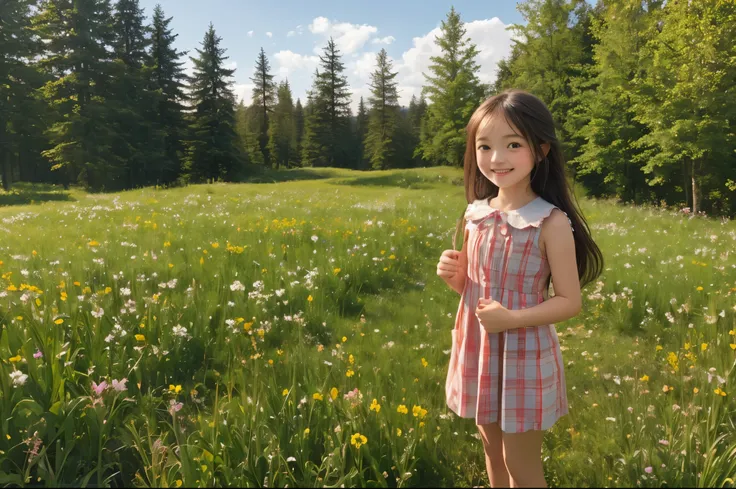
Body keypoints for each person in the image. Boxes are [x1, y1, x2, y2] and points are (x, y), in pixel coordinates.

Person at [436, 89, 604, 488]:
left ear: (541, 149)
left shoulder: (550, 223)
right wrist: (456, 278)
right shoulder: (476, 213)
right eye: (485, 146)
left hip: (522, 355)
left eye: (513, 144)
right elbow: (475, 291)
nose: (497, 158)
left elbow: (569, 302)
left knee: (520, 464)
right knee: (491, 449)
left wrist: (511, 319)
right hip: (479, 349)